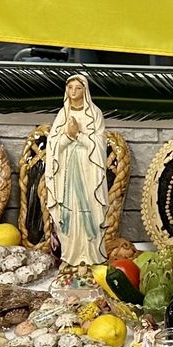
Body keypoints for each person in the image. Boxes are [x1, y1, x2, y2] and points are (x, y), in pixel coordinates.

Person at [43, 74, 111, 266]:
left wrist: (78, 135)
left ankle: (92, 256)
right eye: (70, 87)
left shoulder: (94, 114)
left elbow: (100, 144)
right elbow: (53, 145)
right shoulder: (62, 114)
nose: (73, 91)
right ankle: (70, 255)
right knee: (69, 210)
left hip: (88, 172)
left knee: (89, 207)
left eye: (78, 88)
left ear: (85, 90)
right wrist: (67, 136)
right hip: (66, 172)